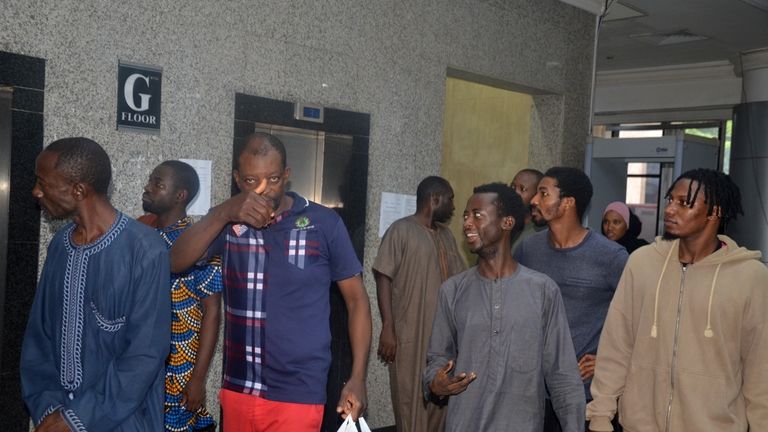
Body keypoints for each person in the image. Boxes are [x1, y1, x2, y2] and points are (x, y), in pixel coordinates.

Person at [169, 132, 371, 431]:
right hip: (239, 387)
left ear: (287, 175)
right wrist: (223, 212)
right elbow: (175, 261)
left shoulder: (323, 223)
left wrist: (357, 377)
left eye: (273, 178)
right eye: (251, 181)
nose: (263, 189)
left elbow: (357, 301)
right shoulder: (228, 223)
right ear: (238, 179)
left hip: (299, 392)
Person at [587, 169, 768, 432]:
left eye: (684, 203)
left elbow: (760, 366)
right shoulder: (643, 262)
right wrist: (601, 415)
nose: (670, 209)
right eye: (670, 200)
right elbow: (617, 342)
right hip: (641, 424)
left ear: (714, 211)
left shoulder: (750, 276)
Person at [21, 137, 171, 431]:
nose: (36, 191)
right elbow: (39, 340)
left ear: (78, 190)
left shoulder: (145, 249)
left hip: (126, 421)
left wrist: (77, 419)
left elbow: (144, 355)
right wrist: (49, 409)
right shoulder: (60, 246)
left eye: (43, 182)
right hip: (55, 415)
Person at [423, 183, 585, 432]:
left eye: (477, 215)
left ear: (507, 223)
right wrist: (436, 382)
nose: (467, 223)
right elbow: (437, 359)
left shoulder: (543, 291)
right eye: (466, 216)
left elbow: (562, 376)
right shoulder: (452, 291)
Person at [514, 166, 628, 432]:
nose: (533, 200)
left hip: (585, 396)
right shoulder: (528, 250)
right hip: (533, 393)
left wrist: (608, 360)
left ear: (568, 202)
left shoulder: (610, 257)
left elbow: (639, 318)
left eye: (543, 193)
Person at [373, 176, 466, 432]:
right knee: (410, 404)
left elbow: (462, 280)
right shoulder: (400, 230)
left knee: (440, 407)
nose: (454, 206)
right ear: (435, 199)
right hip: (409, 336)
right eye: (450, 198)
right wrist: (388, 327)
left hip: (443, 340)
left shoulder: (446, 236)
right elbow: (383, 276)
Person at [140, 160, 222, 432]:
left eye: (157, 184)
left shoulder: (200, 241)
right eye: (150, 181)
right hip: (141, 367)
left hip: (180, 368)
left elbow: (212, 312)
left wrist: (198, 378)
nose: (148, 188)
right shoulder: (141, 236)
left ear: (180, 195)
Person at [509, 168, 545, 253]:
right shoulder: (503, 225)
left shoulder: (539, 236)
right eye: (512, 187)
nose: (514, 193)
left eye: (523, 189)